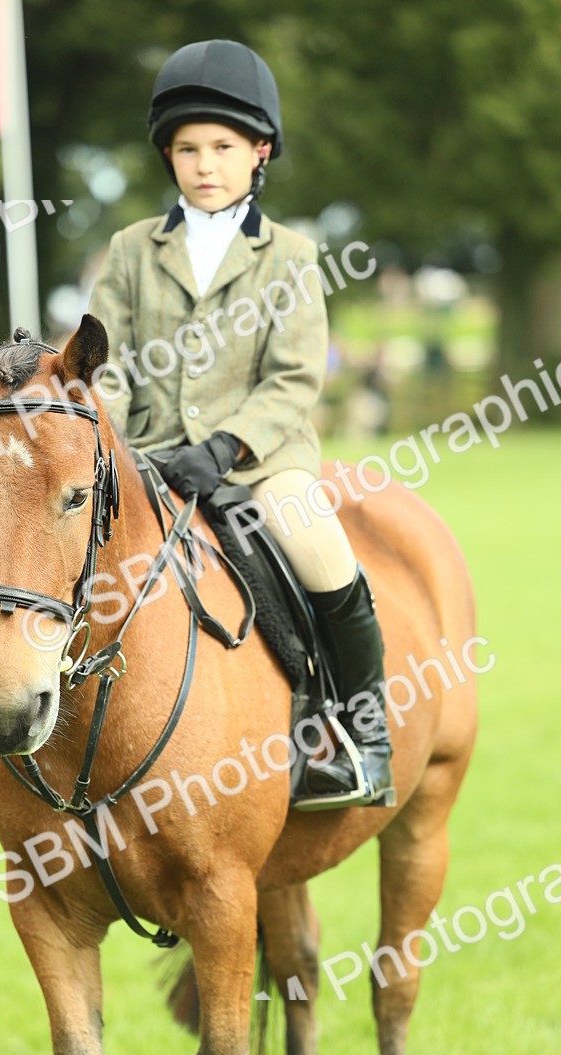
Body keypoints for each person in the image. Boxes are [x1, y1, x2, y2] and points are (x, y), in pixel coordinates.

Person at [89, 39, 392, 804]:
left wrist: (224, 445)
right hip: (148, 457)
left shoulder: (291, 256)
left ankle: (365, 734)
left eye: (223, 147)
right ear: (169, 156)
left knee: (323, 555)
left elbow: (294, 378)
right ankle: (45, 739)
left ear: (259, 152)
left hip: (264, 461)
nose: (204, 164)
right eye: (187, 149)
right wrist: (119, 453)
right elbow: (109, 364)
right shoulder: (129, 251)